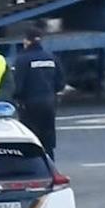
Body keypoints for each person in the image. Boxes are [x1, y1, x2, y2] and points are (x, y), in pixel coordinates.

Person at [11, 25, 65, 157]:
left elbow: (18, 86)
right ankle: (50, 166)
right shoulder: (51, 57)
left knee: (30, 139)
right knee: (47, 140)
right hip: (49, 103)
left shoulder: (22, 59)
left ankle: (32, 167)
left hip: (29, 104)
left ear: (27, 41)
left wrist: (15, 98)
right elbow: (60, 83)